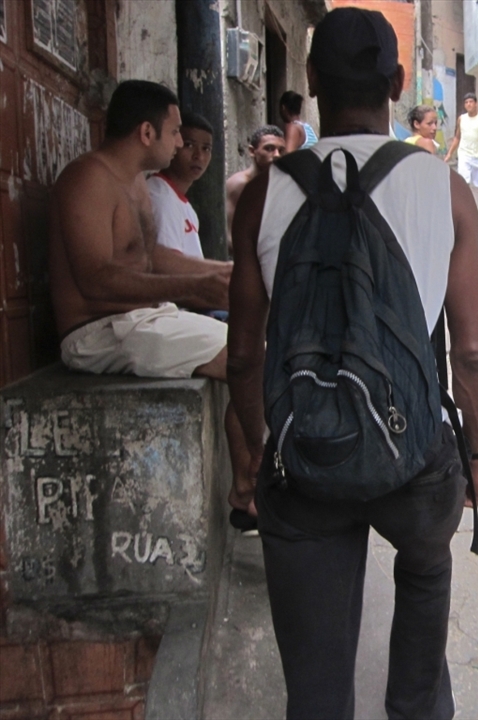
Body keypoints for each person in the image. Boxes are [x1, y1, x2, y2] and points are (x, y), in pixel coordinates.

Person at [226, 7, 478, 718]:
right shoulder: (447, 189)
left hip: (303, 456)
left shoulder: (263, 194)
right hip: (416, 461)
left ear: (311, 81)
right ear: (397, 82)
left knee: (315, 693)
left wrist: (257, 457)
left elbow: (246, 355)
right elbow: (469, 350)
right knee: (424, 600)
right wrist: (476, 454)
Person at [48, 79, 256, 523]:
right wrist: (190, 290)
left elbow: (152, 259)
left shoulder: (136, 183)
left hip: (139, 319)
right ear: (147, 133)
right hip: (98, 333)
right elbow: (96, 281)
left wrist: (222, 273)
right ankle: (252, 488)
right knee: (251, 356)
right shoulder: (87, 178)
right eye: (176, 132)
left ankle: (250, 487)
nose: (182, 143)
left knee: (259, 345)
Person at [147, 111, 227, 266]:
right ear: (175, 144)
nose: (199, 156)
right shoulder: (161, 198)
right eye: (189, 145)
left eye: (206, 148)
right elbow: (167, 269)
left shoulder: (184, 206)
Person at [225, 125, 286, 252]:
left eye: (281, 150)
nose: (276, 155)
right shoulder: (240, 185)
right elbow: (227, 235)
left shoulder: (278, 184)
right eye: (269, 148)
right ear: (252, 151)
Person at [443, 93, 478, 210]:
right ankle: (464, 206)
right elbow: (457, 137)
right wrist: (449, 154)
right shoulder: (461, 119)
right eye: (466, 102)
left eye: (471, 102)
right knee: (463, 182)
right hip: (464, 154)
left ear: (476, 103)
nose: (469, 104)